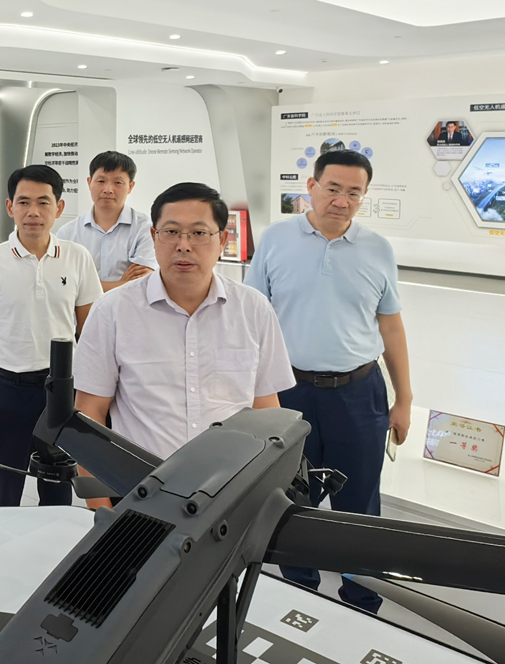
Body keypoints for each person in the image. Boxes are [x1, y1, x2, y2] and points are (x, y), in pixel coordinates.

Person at [245, 150, 412, 614]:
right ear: (311, 186)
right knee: (291, 498)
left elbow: (391, 326)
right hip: (288, 390)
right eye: (333, 188)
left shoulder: (378, 249)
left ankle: (362, 600)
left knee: (360, 502)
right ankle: (300, 593)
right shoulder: (276, 239)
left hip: (359, 392)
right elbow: (251, 319)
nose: (342, 200)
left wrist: (404, 399)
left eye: (354, 193)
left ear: (364, 196)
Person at [73, 183, 296, 499]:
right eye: (171, 232)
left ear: (223, 240)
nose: (183, 245)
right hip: (139, 492)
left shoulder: (253, 309)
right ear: (154, 237)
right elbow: (89, 414)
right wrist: (101, 508)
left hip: (232, 492)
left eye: (199, 233)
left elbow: (267, 413)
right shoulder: (112, 310)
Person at [0, 165, 101, 508]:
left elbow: (92, 335)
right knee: (3, 491)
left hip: (62, 394)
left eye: (43, 202)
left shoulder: (77, 257)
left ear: (59, 208)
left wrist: (90, 401)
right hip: (8, 393)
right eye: (23, 202)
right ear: (10, 207)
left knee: (58, 489)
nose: (33, 212)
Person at [56, 151, 156, 290]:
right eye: (101, 181)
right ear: (89, 183)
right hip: (84, 306)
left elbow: (141, 283)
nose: (108, 190)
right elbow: (63, 283)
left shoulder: (145, 228)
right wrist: (121, 284)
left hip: (128, 305)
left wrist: (85, 286)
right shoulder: (67, 233)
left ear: (130, 187)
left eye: (118, 182)